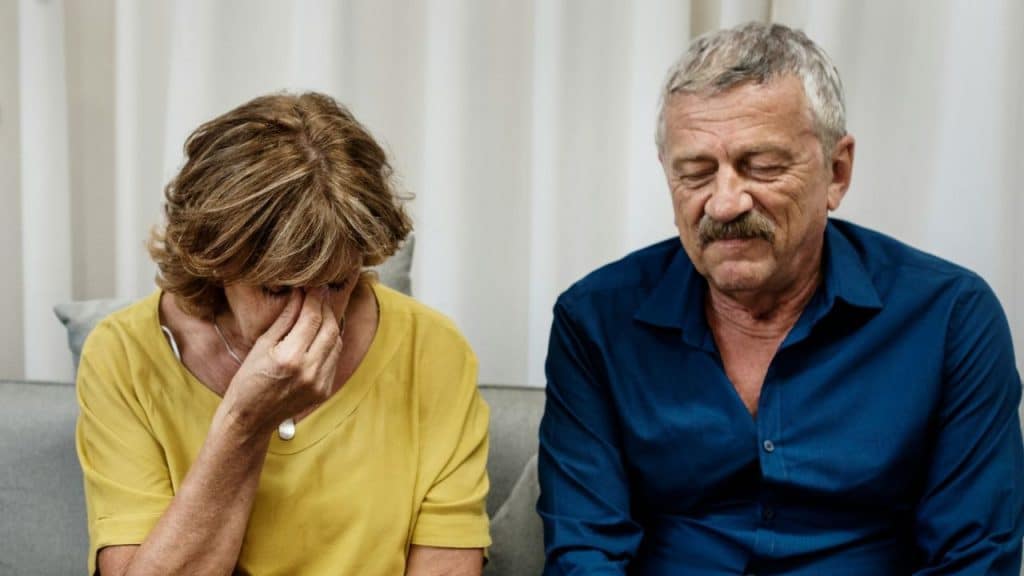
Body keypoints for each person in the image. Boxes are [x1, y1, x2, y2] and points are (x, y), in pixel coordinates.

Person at [538, 21, 1023, 575]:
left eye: (762, 166)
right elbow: (584, 554)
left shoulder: (950, 319)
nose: (723, 204)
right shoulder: (595, 322)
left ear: (836, 172)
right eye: (695, 173)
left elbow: (975, 561)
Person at [76, 92, 490, 575]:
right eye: (277, 288)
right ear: (214, 263)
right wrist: (245, 424)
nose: (313, 315)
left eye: (337, 282)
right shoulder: (123, 356)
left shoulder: (434, 351)